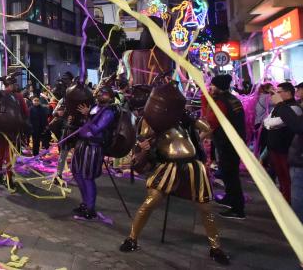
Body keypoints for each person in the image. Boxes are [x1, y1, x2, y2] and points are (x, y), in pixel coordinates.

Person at [120, 83, 230, 266]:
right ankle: (132, 238)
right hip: (168, 166)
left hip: (193, 165)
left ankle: (215, 247)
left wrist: (193, 128)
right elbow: (143, 140)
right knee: (149, 203)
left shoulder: (183, 119)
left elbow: (208, 129)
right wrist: (144, 146)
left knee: (205, 208)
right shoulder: (152, 120)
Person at [204, 74, 247, 219]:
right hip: (233, 141)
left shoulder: (222, 102)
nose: (211, 87)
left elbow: (213, 121)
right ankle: (230, 199)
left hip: (228, 142)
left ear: (218, 87)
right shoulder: (232, 99)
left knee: (231, 174)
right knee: (228, 172)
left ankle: (238, 209)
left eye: (213, 85)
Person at [71, 85, 116, 219]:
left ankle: (90, 209)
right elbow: (84, 124)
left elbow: (96, 129)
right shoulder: (94, 108)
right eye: (100, 92)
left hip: (93, 147)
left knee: (87, 177)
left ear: (110, 97)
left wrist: (87, 116)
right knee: (77, 174)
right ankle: (85, 203)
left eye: (105, 93)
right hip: (81, 145)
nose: (101, 94)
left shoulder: (108, 112)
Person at [263, 82, 298, 203]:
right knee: (281, 177)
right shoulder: (280, 107)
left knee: (287, 179)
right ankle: (284, 200)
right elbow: (266, 122)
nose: (274, 95)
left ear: (288, 93)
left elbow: (271, 123)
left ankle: (288, 203)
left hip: (285, 149)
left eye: (278, 92)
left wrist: (270, 123)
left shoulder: (294, 107)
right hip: (275, 148)